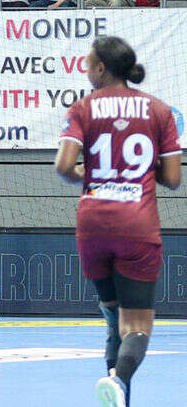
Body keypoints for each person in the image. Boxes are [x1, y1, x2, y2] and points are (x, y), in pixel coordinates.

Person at [54, 36, 182, 407]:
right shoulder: (158, 110)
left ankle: (116, 395)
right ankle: (119, 380)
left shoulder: (83, 108)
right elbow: (173, 179)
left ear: (101, 68)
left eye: (88, 63)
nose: (85, 69)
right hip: (137, 226)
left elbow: (64, 167)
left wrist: (88, 174)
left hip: (93, 224)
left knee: (113, 316)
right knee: (137, 326)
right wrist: (138, 169)